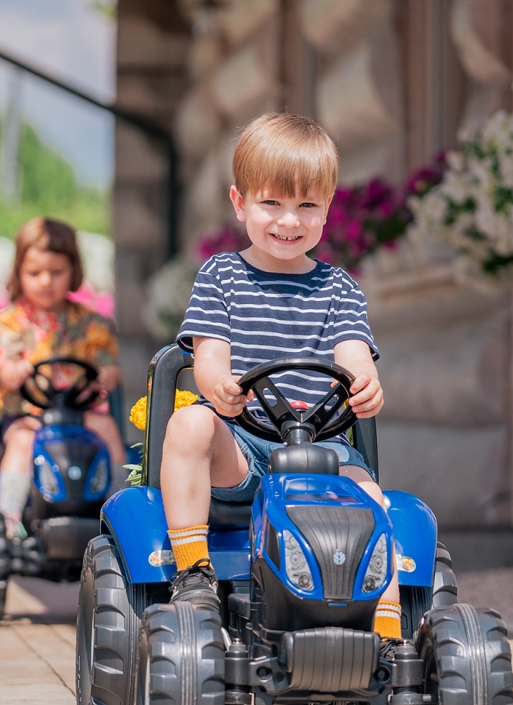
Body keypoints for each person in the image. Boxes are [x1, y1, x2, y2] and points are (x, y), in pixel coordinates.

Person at [162, 112, 401, 639]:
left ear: (327, 210)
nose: (289, 221)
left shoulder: (339, 289)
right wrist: (218, 385)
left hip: (323, 450)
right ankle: (193, 569)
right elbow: (208, 355)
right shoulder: (221, 276)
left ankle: (386, 634)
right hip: (243, 447)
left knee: (376, 501)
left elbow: (354, 353)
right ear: (240, 202)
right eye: (272, 203)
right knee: (189, 426)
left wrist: (364, 383)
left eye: (306, 206)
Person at [0, 216, 125, 540]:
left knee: (109, 429)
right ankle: (10, 514)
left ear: (73, 271)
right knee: (20, 440)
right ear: (19, 272)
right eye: (35, 273)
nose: (46, 281)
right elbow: (5, 366)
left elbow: (110, 365)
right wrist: (14, 371)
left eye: (57, 272)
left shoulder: (92, 323)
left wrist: (107, 374)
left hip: (78, 414)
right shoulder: (12, 320)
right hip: (28, 413)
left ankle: (119, 505)